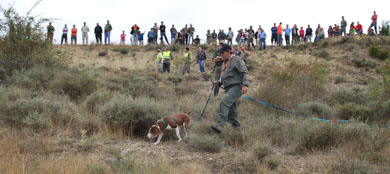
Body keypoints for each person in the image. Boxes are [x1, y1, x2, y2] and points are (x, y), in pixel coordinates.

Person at [211, 44, 249, 133]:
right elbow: (226, 75)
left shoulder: (236, 60)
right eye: (220, 53)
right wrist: (219, 82)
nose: (221, 55)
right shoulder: (225, 62)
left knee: (224, 103)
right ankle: (238, 131)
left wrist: (245, 85)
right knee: (232, 112)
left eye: (223, 52)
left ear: (228, 52)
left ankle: (220, 125)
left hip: (236, 86)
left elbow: (244, 72)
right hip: (228, 88)